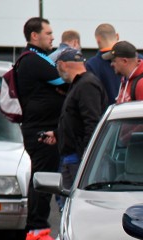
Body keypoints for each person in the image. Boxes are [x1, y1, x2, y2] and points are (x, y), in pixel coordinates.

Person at [16, 17, 67, 240]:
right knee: (43, 180)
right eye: (48, 33)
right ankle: (37, 230)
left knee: (42, 178)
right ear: (34, 36)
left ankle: (36, 229)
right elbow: (65, 81)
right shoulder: (34, 61)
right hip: (41, 130)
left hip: (40, 127)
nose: (52, 37)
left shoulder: (37, 59)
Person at [39, 49, 107, 190]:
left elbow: (92, 122)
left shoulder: (86, 85)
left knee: (73, 201)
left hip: (78, 160)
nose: (57, 70)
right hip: (73, 158)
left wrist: (87, 157)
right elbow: (76, 121)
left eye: (57, 66)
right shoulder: (79, 84)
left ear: (62, 65)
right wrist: (58, 134)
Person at [85, 23, 121, 104]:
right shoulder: (135, 59)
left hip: (105, 114)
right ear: (117, 36)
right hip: (131, 112)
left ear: (98, 40)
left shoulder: (91, 65)